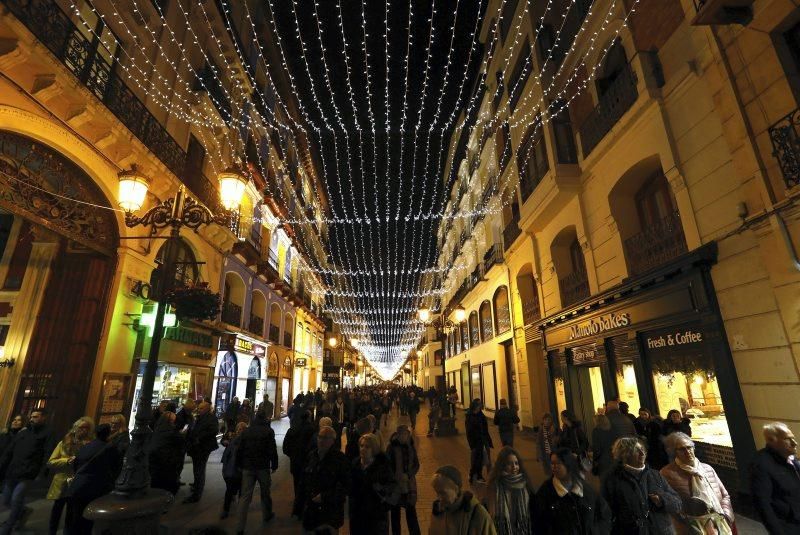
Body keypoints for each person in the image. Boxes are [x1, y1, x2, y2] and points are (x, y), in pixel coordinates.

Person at [601, 437, 681, 534]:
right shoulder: (612, 480)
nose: (642, 454)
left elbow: (677, 503)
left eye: (643, 450)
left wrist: (662, 500)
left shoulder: (655, 475)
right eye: (636, 451)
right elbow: (606, 514)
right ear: (625, 454)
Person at [661, 432, 733, 535]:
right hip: (692, 526)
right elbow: (669, 504)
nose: (687, 452)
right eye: (682, 449)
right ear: (674, 452)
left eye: (689, 447)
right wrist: (689, 521)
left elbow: (725, 495)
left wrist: (726, 515)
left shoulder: (707, 469)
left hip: (720, 522)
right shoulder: (667, 473)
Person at [0, 408, 57, 535]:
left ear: (44, 418)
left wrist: (42, 473)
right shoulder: (23, 433)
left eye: (36, 417)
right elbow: (9, 452)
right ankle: (23, 512)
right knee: (6, 500)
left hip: (28, 473)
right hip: (13, 471)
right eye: (31, 417)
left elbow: (48, 454)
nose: (32, 419)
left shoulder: (48, 433)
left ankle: (8, 526)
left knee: (16, 499)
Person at [533, 448, 611, 534]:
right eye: (552, 463)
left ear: (568, 464)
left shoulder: (586, 490)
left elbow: (604, 514)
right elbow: (538, 524)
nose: (554, 467)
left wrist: (595, 532)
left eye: (558, 463)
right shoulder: (545, 492)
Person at [65, 423, 116, 535]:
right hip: (97, 488)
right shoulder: (110, 448)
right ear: (108, 434)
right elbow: (115, 467)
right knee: (91, 520)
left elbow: (76, 464)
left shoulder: (86, 446)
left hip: (78, 486)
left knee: (76, 517)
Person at [749, 422, 800, 534]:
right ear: (772, 440)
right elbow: (763, 504)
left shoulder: (789, 456)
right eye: (787, 439)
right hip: (788, 526)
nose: (794, 443)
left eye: (793, 438)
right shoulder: (761, 465)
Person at [47, 417, 94, 535]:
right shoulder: (64, 442)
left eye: (86, 428)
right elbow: (51, 462)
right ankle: (52, 531)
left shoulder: (91, 444)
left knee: (71, 512)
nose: (83, 430)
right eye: (81, 427)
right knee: (57, 509)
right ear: (75, 428)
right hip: (62, 481)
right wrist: (67, 461)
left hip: (78, 482)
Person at [301, 426, 351, 534]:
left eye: (326, 438)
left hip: (330, 512)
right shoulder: (312, 455)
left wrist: (325, 496)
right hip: (312, 510)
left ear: (333, 441)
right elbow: (305, 480)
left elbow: (345, 485)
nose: (321, 440)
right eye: (320, 437)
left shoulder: (339, 459)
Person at [235, 411, 278, 534]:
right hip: (263, 466)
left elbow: (240, 449)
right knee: (265, 492)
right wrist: (274, 464)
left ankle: (239, 527)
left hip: (248, 467)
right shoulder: (268, 431)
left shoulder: (247, 431)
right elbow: (272, 449)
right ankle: (267, 514)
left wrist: (238, 464)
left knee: (245, 496)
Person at [349, 433, 395, 534]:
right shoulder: (355, 464)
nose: (363, 449)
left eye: (367, 447)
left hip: (376, 516)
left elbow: (392, 486)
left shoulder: (382, 466)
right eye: (361, 446)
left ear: (373, 449)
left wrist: (381, 489)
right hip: (358, 514)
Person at [430, 465, 496, 534]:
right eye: (437, 492)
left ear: (456, 489)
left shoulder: (477, 514)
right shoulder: (438, 512)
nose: (439, 498)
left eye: (443, 493)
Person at [486, 446, 535, 534]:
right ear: (502, 466)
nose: (514, 467)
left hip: (522, 530)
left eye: (516, 463)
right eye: (509, 464)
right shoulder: (495, 485)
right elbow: (491, 514)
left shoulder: (525, 482)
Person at [387, 425, 421, 535]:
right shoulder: (391, 447)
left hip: (409, 485)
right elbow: (388, 466)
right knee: (395, 513)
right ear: (397, 435)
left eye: (406, 434)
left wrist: (409, 474)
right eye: (401, 434)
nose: (403, 436)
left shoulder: (411, 447)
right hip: (395, 486)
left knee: (411, 510)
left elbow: (416, 464)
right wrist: (395, 477)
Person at [184, 400, 219, 503]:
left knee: (199, 469)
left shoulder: (211, 418)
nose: (199, 410)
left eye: (201, 408)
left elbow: (214, 431)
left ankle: (197, 493)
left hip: (203, 447)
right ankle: (197, 486)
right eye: (198, 408)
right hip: (196, 447)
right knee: (197, 468)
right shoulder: (198, 417)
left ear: (207, 409)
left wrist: (199, 437)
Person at [284, 410, 317, 517]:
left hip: (295, 462)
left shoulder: (292, 429)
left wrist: (293, 455)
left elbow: (285, 447)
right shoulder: (311, 429)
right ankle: (304, 507)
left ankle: (298, 505)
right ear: (308, 417)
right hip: (307, 462)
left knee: (297, 483)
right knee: (307, 484)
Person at [148, 411, 184, 494]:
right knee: (167, 486)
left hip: (155, 463)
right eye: (173, 421)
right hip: (167, 463)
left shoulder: (156, 430)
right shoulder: (172, 433)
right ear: (170, 421)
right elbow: (181, 443)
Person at [220, 422, 247, 519]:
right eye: (238, 429)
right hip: (232, 469)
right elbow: (226, 454)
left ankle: (231, 510)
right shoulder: (232, 438)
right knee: (231, 490)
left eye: (242, 429)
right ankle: (227, 509)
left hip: (239, 470)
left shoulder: (245, 441)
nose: (240, 431)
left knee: (238, 490)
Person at [466, 399, 493, 484]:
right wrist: (472, 444)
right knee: (477, 459)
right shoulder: (470, 417)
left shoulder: (480, 415)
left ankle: (485, 475)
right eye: (479, 405)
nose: (480, 406)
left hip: (483, 440)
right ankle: (476, 476)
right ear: (476, 406)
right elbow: (469, 432)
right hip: (476, 441)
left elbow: (484, 428)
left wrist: (487, 440)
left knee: (484, 458)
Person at [108, 413, 129, 480]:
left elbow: (120, 451)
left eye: (116, 423)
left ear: (121, 424)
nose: (113, 425)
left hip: (115, 465)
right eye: (112, 422)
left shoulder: (123, 435)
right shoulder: (111, 433)